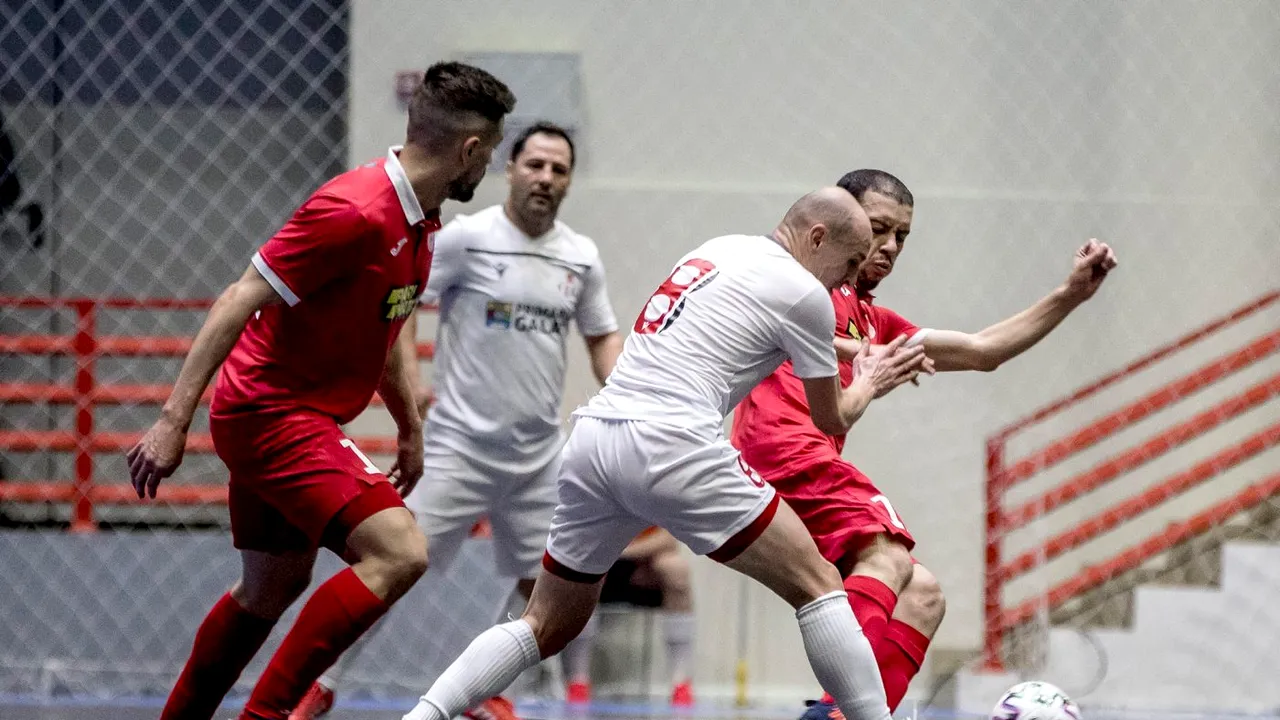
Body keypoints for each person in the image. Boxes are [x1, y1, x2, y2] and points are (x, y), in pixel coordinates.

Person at [399, 186, 931, 720]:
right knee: (820, 584)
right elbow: (832, 416)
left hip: (594, 439)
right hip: (673, 441)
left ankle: (423, 715)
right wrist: (871, 377)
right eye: (851, 261)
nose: (849, 279)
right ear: (818, 237)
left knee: (544, 623)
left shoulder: (718, 249)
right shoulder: (806, 293)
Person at [125, 61, 515, 720]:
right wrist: (172, 421)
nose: (490, 169)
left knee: (270, 589)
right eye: (493, 154)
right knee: (399, 552)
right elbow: (238, 297)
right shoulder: (356, 209)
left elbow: (389, 326)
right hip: (271, 412)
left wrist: (410, 428)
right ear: (470, 150)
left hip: (293, 414)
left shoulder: (420, 220)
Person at [730, 169, 1119, 720]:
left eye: (902, 237)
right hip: (784, 450)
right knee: (885, 555)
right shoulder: (804, 278)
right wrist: (855, 354)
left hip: (797, 462)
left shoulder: (873, 320)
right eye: (878, 229)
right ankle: (841, 715)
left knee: (924, 595)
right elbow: (784, 317)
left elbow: (983, 349)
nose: (888, 247)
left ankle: (854, 711)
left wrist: (1070, 295)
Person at [291, 121, 623, 720]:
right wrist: (409, 382)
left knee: (553, 585)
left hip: (539, 457)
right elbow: (403, 297)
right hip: (458, 447)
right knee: (390, 567)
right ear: (511, 169)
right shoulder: (468, 239)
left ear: (569, 181)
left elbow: (602, 339)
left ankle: (486, 690)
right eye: (535, 164)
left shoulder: (580, 256)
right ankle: (322, 684)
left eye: (559, 169)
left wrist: (631, 398)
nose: (545, 177)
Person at [560, 527, 696, 706]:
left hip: (640, 562)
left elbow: (669, 539)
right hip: (595, 557)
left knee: (676, 570)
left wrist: (622, 553)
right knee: (579, 570)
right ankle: (577, 681)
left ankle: (680, 682)